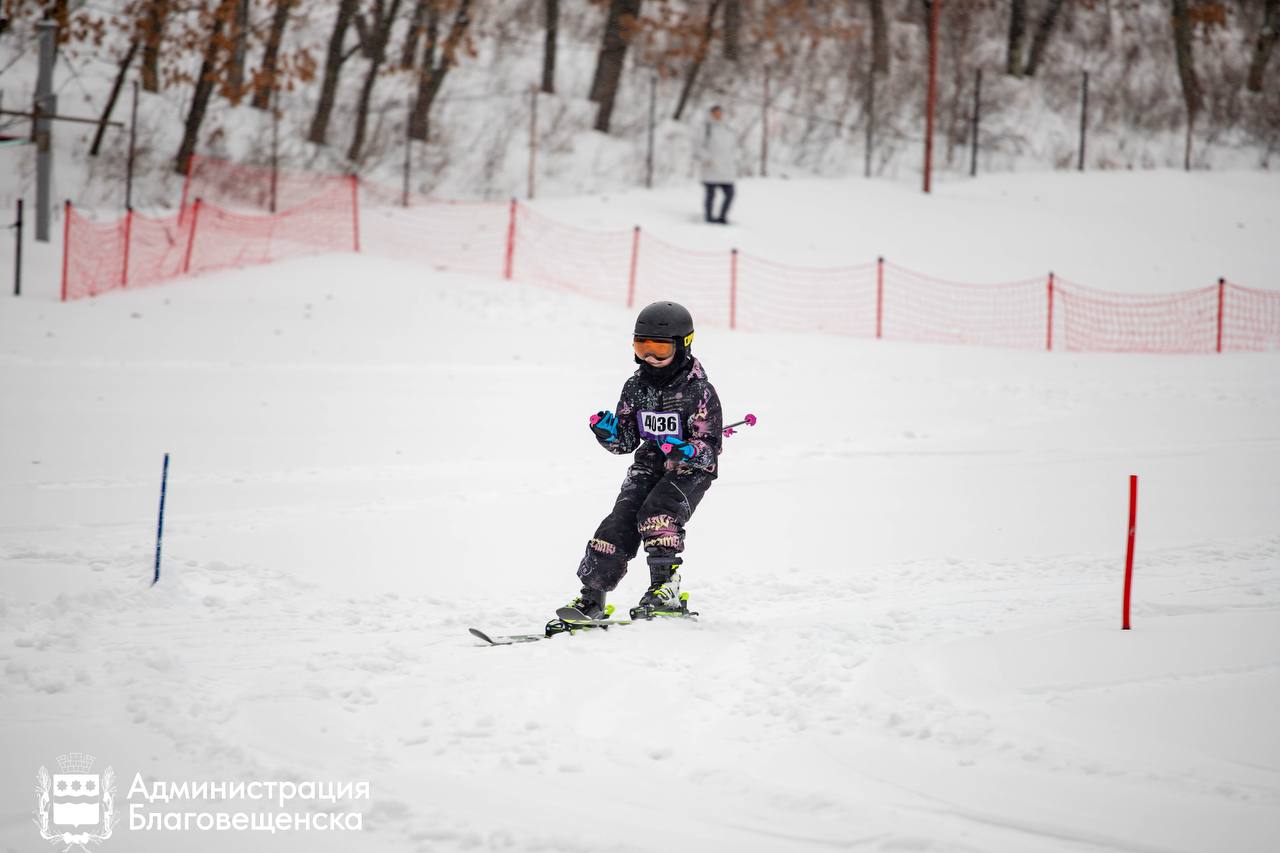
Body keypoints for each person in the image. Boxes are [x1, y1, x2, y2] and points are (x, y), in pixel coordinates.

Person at [563, 301, 723, 622]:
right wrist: (607, 433)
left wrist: (688, 450)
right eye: (642, 347)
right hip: (648, 465)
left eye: (660, 350)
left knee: (658, 514)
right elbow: (625, 441)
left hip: (689, 471)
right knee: (617, 524)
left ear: (682, 346)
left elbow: (709, 448)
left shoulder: (699, 392)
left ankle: (666, 588)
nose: (650, 358)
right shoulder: (636, 387)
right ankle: (592, 598)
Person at [701, 105, 736, 225]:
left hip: (726, 169)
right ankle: (709, 217)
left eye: (719, 112)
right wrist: (707, 159)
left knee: (730, 193)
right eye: (715, 113)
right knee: (711, 194)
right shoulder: (706, 128)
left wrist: (734, 159)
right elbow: (698, 146)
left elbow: (733, 147)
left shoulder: (727, 128)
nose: (718, 115)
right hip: (711, 167)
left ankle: (722, 216)